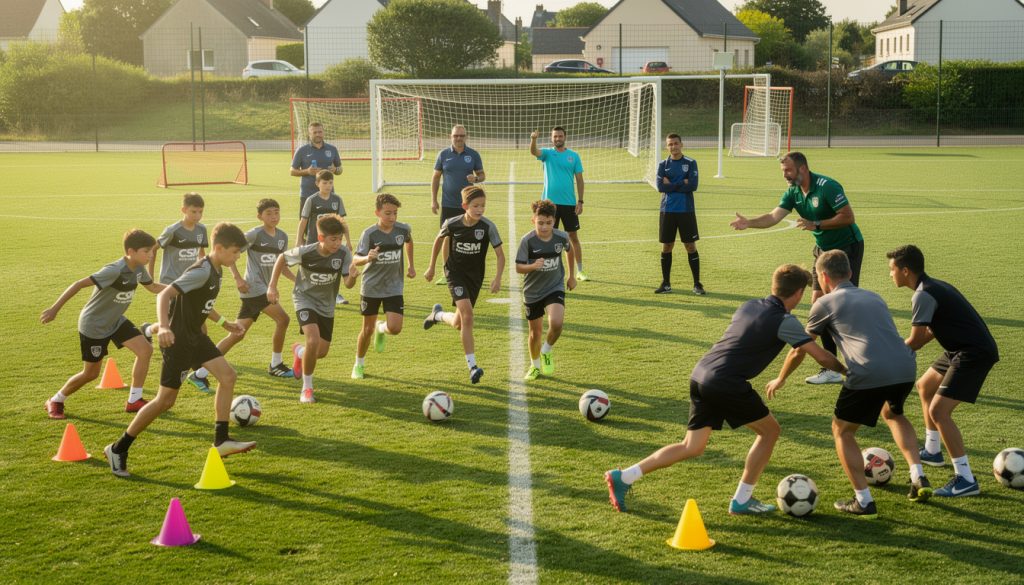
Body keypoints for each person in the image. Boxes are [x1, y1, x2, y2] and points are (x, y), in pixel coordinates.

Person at [604, 264, 846, 514]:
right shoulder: (785, 320)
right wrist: (846, 371)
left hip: (700, 374)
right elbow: (822, 357)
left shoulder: (749, 305)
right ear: (798, 293)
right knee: (770, 432)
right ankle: (742, 500)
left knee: (692, 446)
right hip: (726, 382)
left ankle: (625, 476)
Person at [765, 250, 932, 518]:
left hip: (868, 371)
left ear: (823, 276)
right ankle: (918, 475)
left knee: (842, 431)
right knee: (893, 414)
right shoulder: (874, 296)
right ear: (850, 272)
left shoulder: (824, 303)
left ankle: (864, 501)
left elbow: (800, 349)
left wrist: (781, 378)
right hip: (905, 366)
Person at [104, 223, 256, 478]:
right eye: (234, 252)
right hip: (179, 341)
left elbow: (203, 303)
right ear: (219, 248)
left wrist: (224, 323)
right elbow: (164, 295)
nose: (237, 257)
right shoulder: (202, 270)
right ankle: (118, 448)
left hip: (196, 337)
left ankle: (221, 440)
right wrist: (163, 327)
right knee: (165, 401)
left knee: (228, 376)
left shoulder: (216, 269)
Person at [730, 151, 864, 385]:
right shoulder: (793, 191)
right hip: (822, 251)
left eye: (788, 170)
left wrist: (817, 224)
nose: (785, 175)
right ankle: (830, 368)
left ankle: (858, 361)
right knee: (819, 305)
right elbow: (774, 217)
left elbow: (848, 217)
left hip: (847, 249)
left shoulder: (827, 186)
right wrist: (749, 222)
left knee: (843, 306)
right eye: (783, 171)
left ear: (802, 169)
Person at [887, 244, 999, 498]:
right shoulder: (934, 286)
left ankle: (966, 479)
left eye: (892, 269)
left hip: (973, 352)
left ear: (905, 271)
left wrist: (891, 354)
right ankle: (932, 450)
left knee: (939, 411)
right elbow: (931, 330)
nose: (890, 274)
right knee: (925, 386)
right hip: (957, 348)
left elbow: (916, 340)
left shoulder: (923, 295)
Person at [41, 229, 164, 419]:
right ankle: (56, 400)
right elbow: (78, 284)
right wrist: (54, 309)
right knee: (91, 374)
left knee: (145, 350)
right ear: (131, 252)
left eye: (151, 251)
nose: (151, 255)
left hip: (115, 320)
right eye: (146, 251)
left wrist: (181, 289)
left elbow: (153, 287)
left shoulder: (139, 269)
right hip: (94, 325)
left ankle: (134, 400)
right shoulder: (114, 270)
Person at [268, 214, 358, 403]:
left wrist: (353, 276)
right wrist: (272, 286)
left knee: (321, 351)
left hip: (326, 305)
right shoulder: (306, 252)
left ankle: (300, 353)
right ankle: (307, 388)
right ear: (321, 237)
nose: (337, 243)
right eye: (333, 239)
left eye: (340, 239)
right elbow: (282, 258)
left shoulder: (343, 253)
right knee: (313, 339)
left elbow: (348, 284)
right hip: (304, 299)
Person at [423, 185, 505, 385]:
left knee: (459, 322)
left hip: (475, 278)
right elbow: (438, 241)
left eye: (483, 205)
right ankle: (473, 366)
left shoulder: (488, 227)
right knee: (468, 315)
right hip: (454, 273)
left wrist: (497, 278)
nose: (480, 209)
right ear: (465, 206)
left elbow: (500, 255)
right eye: (476, 205)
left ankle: (438, 315)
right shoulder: (452, 224)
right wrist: (432, 267)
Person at [217, 198, 296, 378]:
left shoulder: (282, 237)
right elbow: (231, 253)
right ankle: (276, 364)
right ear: (260, 216)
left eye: (276, 212)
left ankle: (201, 371)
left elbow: (281, 266)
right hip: (253, 288)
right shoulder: (254, 234)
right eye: (269, 213)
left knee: (238, 333)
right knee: (283, 319)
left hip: (262, 290)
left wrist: (297, 280)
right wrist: (238, 278)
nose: (274, 216)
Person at [150, 192, 213, 392]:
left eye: (200, 212)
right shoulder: (173, 231)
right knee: (183, 326)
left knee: (197, 325)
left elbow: (201, 254)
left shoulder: (201, 230)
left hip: (191, 285)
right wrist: (150, 277)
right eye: (193, 212)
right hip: (171, 284)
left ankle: (148, 330)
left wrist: (205, 271)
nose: (197, 216)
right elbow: (153, 249)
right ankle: (195, 368)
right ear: (184, 210)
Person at [350, 194, 415, 380]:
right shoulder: (369, 234)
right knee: (367, 330)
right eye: (388, 213)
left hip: (394, 286)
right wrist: (367, 258)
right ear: (377, 213)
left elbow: (409, 242)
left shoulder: (403, 229)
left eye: (395, 213)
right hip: (371, 287)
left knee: (395, 328)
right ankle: (359, 364)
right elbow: (355, 259)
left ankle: (381, 328)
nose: (392, 217)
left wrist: (410, 265)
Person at [516, 200, 576, 381]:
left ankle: (546, 350)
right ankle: (534, 366)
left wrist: (571, 276)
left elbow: (569, 250)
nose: (544, 227)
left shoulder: (561, 237)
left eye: (548, 223)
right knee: (535, 333)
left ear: (554, 221)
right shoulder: (527, 241)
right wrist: (533, 266)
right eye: (540, 223)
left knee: (556, 323)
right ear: (533, 220)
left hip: (554, 286)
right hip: (532, 292)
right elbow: (519, 267)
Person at [530, 126, 586, 281]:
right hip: (549, 205)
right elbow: (534, 152)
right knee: (547, 236)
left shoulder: (573, 156)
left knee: (573, 237)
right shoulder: (547, 153)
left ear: (565, 137)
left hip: (569, 204)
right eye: (555, 136)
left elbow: (579, 180)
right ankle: (546, 269)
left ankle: (580, 271)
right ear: (551, 138)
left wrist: (580, 201)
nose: (558, 139)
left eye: (560, 136)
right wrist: (533, 139)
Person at [431, 124, 484, 286]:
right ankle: (446, 272)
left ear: (466, 137)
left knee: (469, 238)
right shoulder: (443, 154)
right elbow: (436, 178)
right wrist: (434, 200)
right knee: (447, 237)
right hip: (448, 204)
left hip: (468, 206)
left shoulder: (473, 154)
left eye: (461, 135)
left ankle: (470, 271)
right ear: (451, 136)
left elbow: (482, 175)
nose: (459, 138)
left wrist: (476, 179)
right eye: (456, 135)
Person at [655, 133, 704, 295]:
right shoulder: (663, 165)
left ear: (681, 145)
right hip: (667, 210)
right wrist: (682, 182)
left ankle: (697, 284)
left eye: (676, 143)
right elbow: (661, 187)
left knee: (690, 246)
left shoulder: (690, 163)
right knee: (667, 246)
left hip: (686, 210)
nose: (673, 146)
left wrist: (671, 184)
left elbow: (693, 185)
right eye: (670, 144)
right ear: (666, 147)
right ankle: (666, 284)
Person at [297, 170, 351, 306]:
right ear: (317, 183)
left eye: (330, 183)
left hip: (331, 242)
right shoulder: (311, 200)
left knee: (333, 268)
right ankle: (308, 293)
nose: (328, 186)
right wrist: (299, 240)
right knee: (311, 269)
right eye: (325, 183)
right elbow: (303, 221)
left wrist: (348, 241)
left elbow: (342, 222)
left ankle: (335, 294)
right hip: (314, 241)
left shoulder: (337, 200)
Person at [290, 121, 341, 213]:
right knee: (305, 220)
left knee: (329, 221)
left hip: (328, 194)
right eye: (315, 132)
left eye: (320, 132)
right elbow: (292, 171)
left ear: (323, 133)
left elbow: (340, 169)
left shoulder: (332, 149)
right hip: (307, 194)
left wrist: (335, 170)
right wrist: (307, 171)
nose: (318, 134)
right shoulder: (302, 150)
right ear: (309, 134)